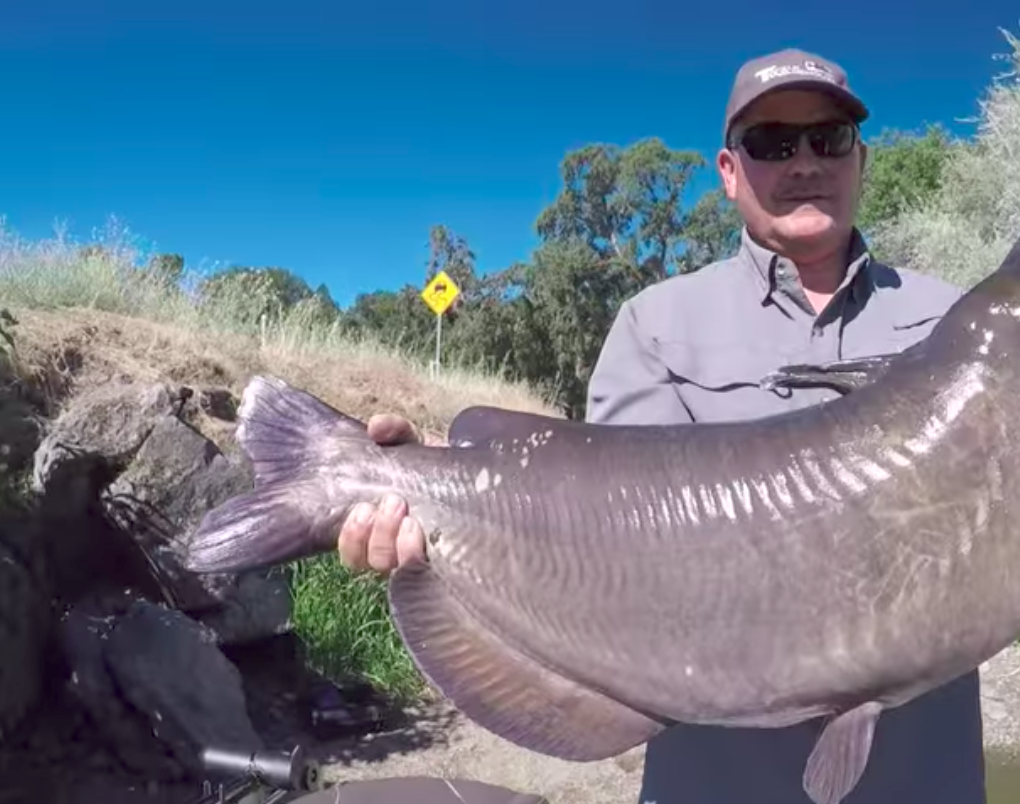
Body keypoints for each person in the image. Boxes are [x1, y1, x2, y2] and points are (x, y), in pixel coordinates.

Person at [336, 48, 985, 804]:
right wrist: (438, 498)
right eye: (773, 142)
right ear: (729, 169)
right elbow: (609, 543)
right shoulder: (656, 325)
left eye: (828, 138)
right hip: (713, 781)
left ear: (860, 158)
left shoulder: (957, 325)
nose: (804, 161)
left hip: (923, 777)